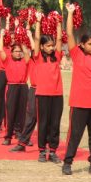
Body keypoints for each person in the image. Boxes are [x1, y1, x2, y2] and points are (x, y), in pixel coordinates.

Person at [62, 3, 91, 176]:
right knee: (75, 135)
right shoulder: (76, 54)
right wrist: (70, 13)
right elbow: (69, 33)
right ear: (81, 45)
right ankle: (67, 162)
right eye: (90, 44)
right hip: (79, 103)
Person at [29, 26, 63, 163]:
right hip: (42, 95)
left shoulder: (57, 57)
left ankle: (53, 151)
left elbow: (59, 39)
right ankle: (42, 151)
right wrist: (38, 22)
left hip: (57, 95)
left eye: (52, 45)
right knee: (43, 123)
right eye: (48, 46)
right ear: (42, 47)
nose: (51, 48)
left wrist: (58, 24)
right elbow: (37, 38)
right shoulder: (37, 57)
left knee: (55, 124)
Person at [0, 25, 30, 151]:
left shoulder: (25, 60)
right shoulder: (7, 60)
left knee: (22, 112)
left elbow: (27, 53)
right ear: (11, 52)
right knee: (10, 112)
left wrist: (23, 39)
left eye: (20, 51)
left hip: (23, 87)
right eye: (16, 51)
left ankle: (20, 134)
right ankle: (8, 136)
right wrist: (2, 36)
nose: (18, 53)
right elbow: (0, 49)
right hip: (12, 87)